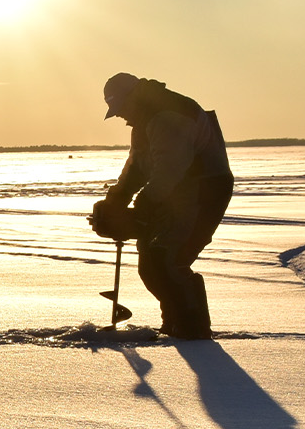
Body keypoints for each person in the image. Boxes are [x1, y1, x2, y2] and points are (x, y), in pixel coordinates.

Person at [88, 73, 234, 339]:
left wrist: (144, 203)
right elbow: (137, 166)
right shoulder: (144, 121)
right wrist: (118, 197)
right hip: (176, 193)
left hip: (205, 190)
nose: (121, 116)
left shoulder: (168, 115)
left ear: (132, 98)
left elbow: (170, 168)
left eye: (120, 109)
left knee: (168, 259)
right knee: (151, 259)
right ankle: (174, 323)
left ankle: (193, 331)